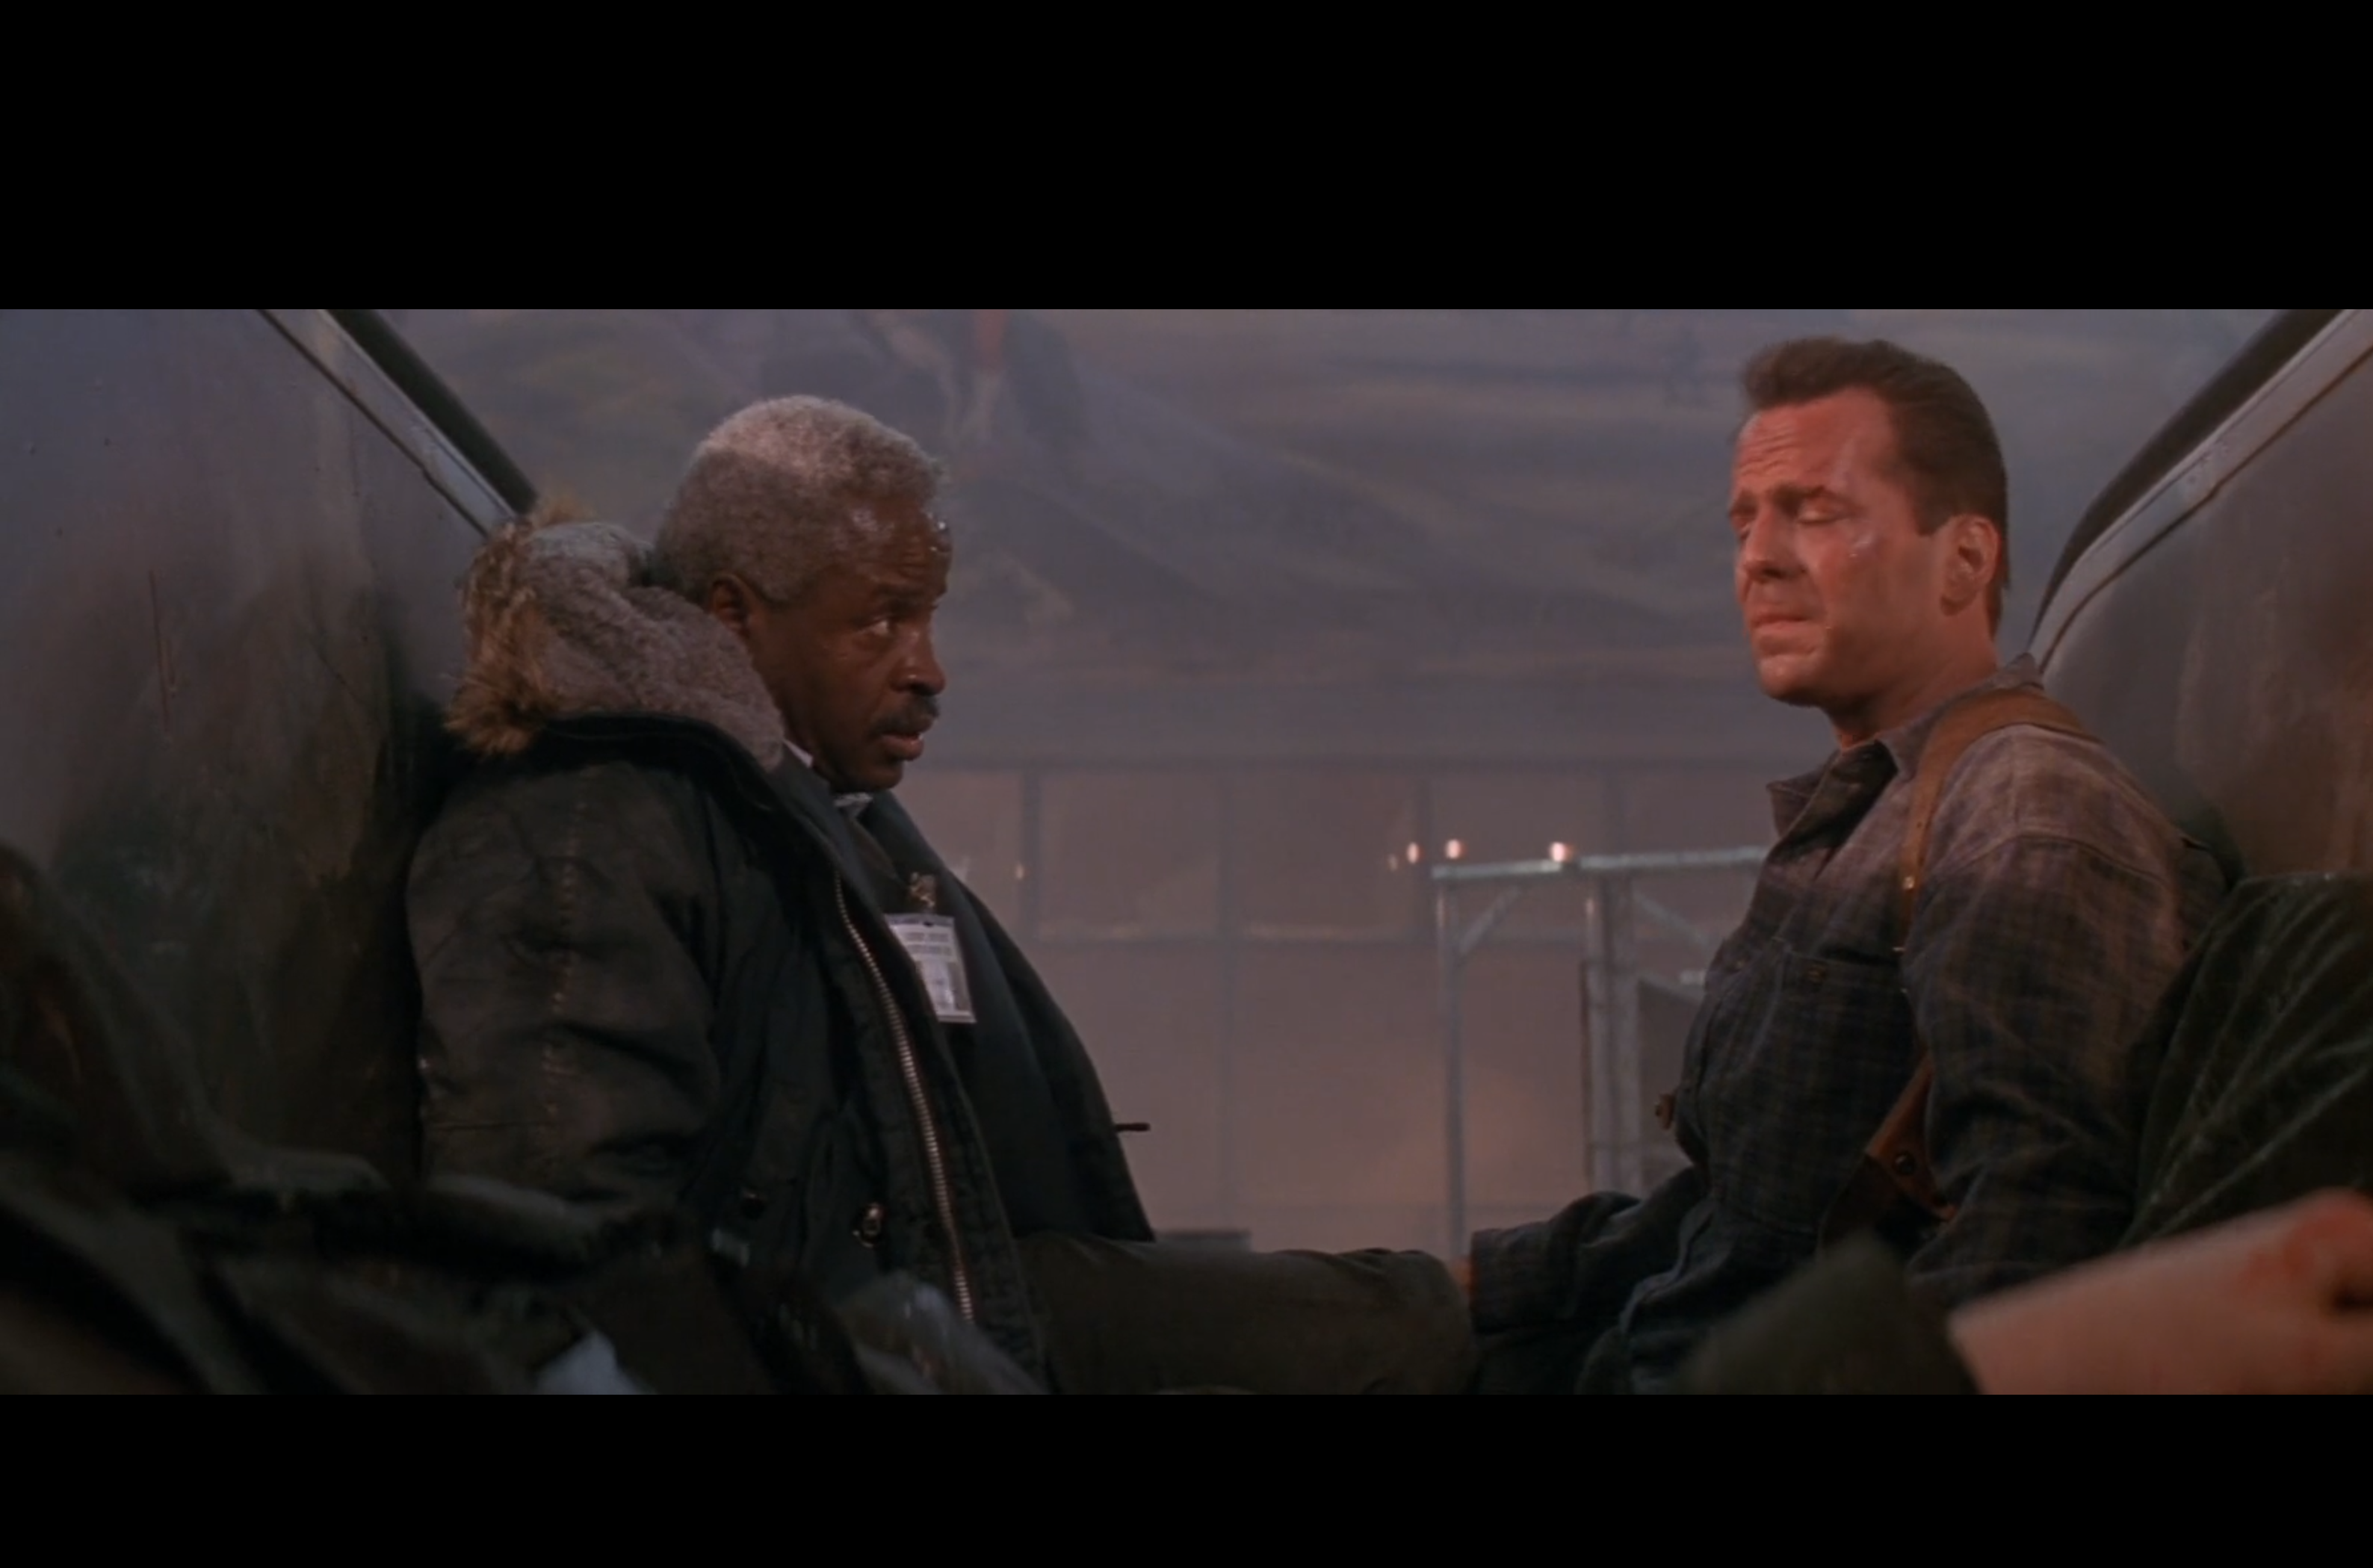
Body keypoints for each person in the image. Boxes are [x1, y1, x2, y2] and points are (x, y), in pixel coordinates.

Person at [406, 397, 1473, 1394]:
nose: (929, 669)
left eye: (927, 618)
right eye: (882, 620)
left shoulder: (823, 822)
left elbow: (973, 1275)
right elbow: (567, 1263)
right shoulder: (591, 826)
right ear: (734, 616)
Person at [1470, 337, 2230, 1392]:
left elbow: (2034, 1246)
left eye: (1816, 511)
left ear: (1965, 560)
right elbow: (1732, 1223)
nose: (1760, 558)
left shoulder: (2020, 812)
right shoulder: (1878, 812)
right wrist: (1468, 1288)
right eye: (1745, 521)